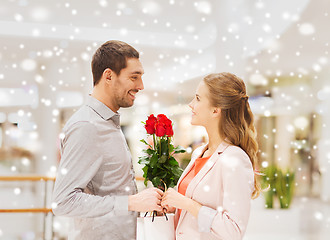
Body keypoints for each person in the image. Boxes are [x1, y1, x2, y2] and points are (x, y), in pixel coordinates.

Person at [52, 40, 163, 240]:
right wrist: (130, 203)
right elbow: (63, 202)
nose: (141, 86)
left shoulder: (108, 122)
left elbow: (112, 189)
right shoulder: (87, 126)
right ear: (109, 76)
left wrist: (146, 201)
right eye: (134, 77)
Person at [161, 72, 260, 240]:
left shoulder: (234, 159)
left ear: (216, 110)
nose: (191, 104)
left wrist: (187, 204)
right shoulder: (199, 153)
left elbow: (233, 230)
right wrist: (173, 207)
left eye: (198, 98)